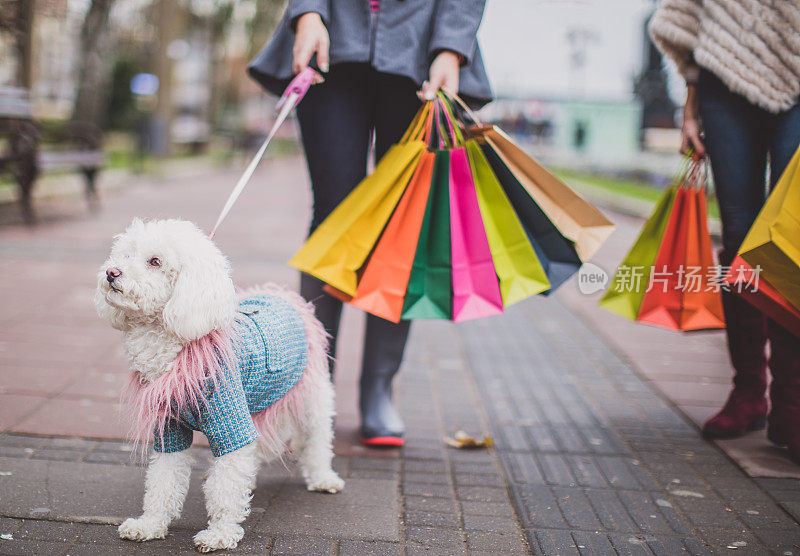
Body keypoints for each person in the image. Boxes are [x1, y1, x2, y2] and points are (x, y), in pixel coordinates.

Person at [248, 1, 492, 446]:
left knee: (404, 225)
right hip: (333, 42)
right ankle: (310, 389)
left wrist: (452, 47)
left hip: (422, 46)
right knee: (333, 219)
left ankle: (378, 389)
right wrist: (307, 14)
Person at [650, 1, 800, 462]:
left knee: (791, 240)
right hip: (721, 79)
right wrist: (690, 106)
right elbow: (690, 15)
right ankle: (749, 390)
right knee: (739, 237)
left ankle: (792, 403)